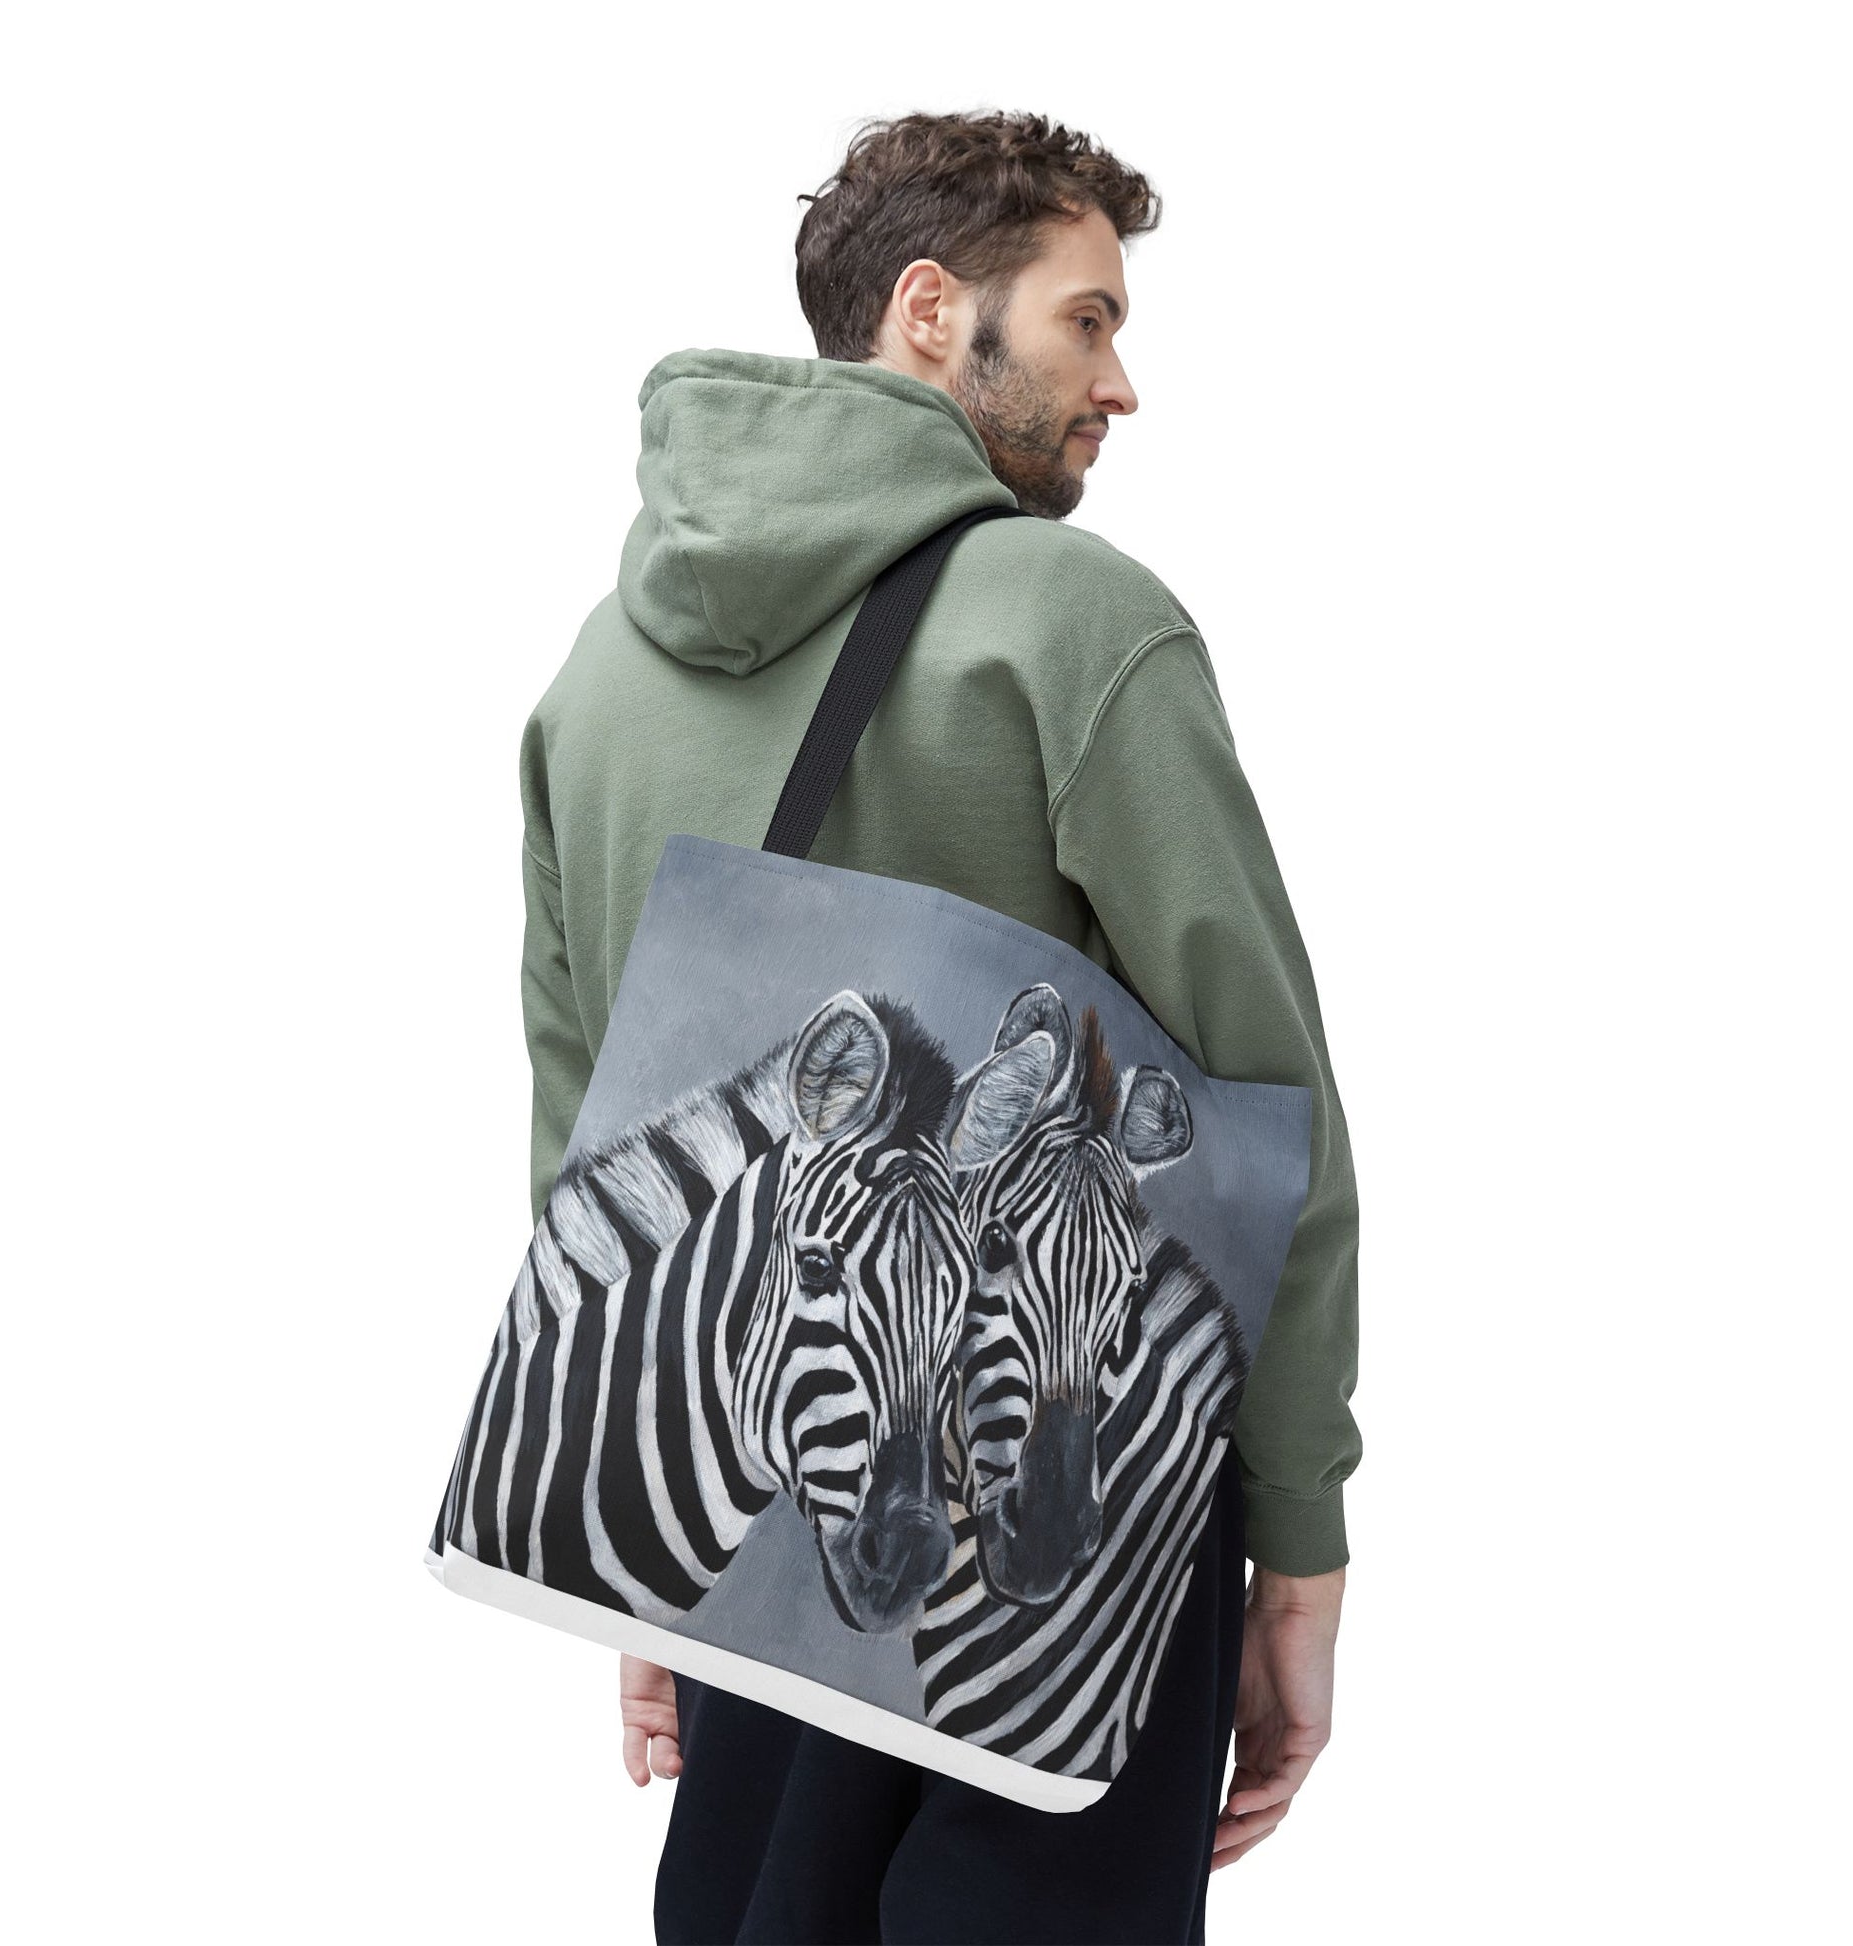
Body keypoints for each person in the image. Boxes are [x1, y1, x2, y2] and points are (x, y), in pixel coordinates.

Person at [516, 109, 1360, 1945]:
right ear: (927, 310)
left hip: (766, 1505)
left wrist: (628, 1576)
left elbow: (590, 1131)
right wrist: (1295, 1540)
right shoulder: (1072, 623)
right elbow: (1265, 1119)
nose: (1119, 383)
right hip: (1066, 1535)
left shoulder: (597, 675)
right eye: (1085, 319)